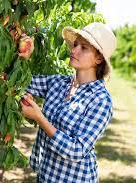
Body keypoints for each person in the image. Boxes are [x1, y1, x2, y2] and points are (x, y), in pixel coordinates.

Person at [20, 22, 117, 182]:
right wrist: (24, 57)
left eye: (84, 48)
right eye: (75, 44)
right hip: (46, 175)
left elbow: (76, 150)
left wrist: (39, 118)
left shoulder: (100, 100)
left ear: (99, 58)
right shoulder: (59, 83)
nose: (74, 50)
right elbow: (22, 83)